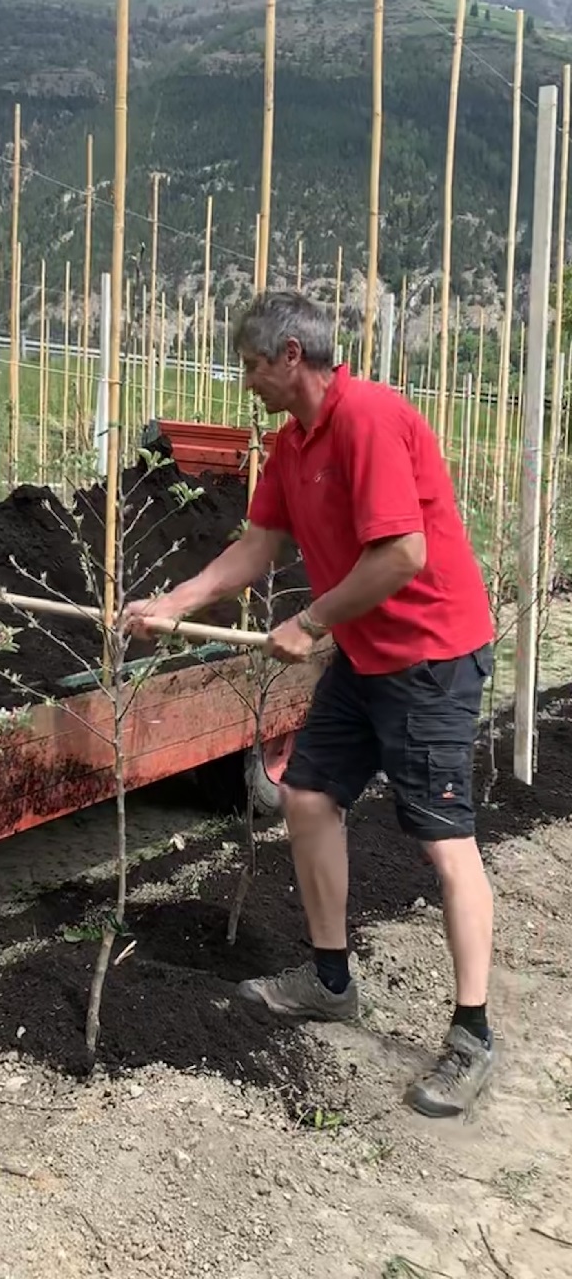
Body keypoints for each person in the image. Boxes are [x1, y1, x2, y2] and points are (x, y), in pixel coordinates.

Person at [126, 290, 497, 1119]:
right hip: (367, 657)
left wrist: (312, 618)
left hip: (432, 658)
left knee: (445, 844)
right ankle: (331, 981)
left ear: (292, 355)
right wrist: (178, 601)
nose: (246, 382)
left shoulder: (368, 419)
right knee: (306, 797)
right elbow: (258, 544)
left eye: (253, 366)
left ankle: (473, 1034)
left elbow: (403, 553)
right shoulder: (291, 445)